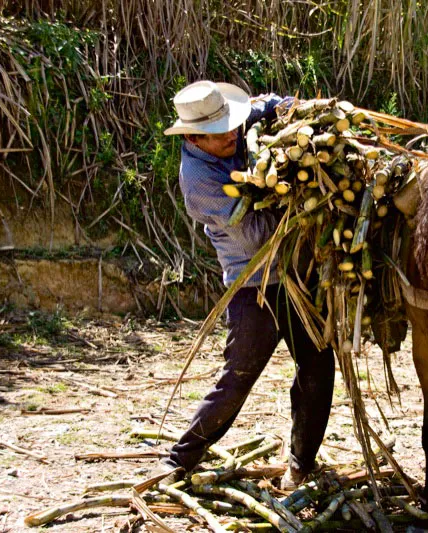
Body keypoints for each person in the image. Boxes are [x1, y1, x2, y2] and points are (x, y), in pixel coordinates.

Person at [154, 80, 335, 489]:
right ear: (194, 137)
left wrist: (298, 110)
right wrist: (300, 205)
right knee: (239, 375)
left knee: (319, 364)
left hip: (297, 276)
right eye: (220, 133)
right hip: (254, 281)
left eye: (232, 124)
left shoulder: (235, 125)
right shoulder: (197, 179)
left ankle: (301, 462)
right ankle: (180, 459)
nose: (232, 134)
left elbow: (268, 105)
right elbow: (255, 236)